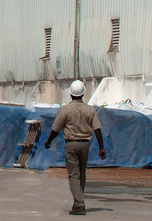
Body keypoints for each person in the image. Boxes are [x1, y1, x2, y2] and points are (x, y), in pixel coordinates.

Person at [44, 80, 106, 215]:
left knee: (73, 175)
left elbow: (56, 128)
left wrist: (48, 141)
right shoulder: (90, 109)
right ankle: (78, 200)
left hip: (71, 145)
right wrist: (101, 148)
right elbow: (97, 129)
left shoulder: (65, 109)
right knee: (82, 174)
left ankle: (79, 204)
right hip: (85, 145)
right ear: (83, 94)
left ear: (70, 94)